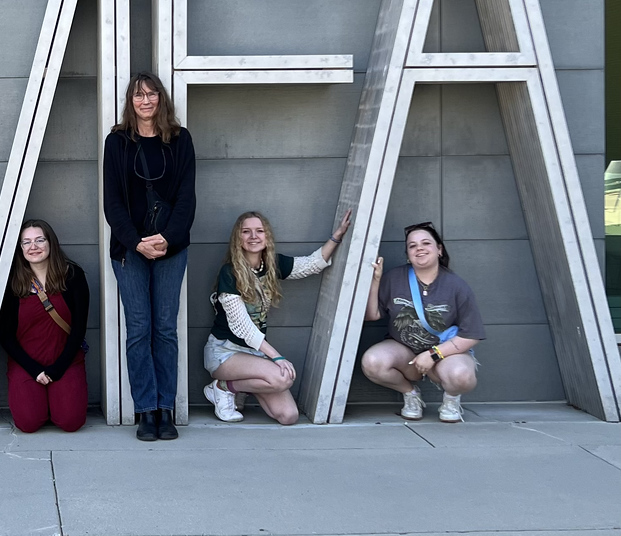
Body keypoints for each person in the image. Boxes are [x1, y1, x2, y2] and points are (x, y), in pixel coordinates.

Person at [103, 71, 195, 441]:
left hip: (171, 249)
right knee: (139, 329)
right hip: (129, 250)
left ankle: (165, 409)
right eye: (138, 95)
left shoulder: (180, 139)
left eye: (151, 94)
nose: (145, 100)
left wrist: (167, 240)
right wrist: (137, 242)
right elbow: (111, 202)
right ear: (130, 101)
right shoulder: (117, 142)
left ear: (161, 98)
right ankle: (145, 410)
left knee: (165, 329)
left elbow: (187, 197)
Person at [204, 209, 351, 425]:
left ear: (267, 236)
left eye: (259, 231)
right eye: (246, 232)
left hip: (254, 353)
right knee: (282, 377)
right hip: (225, 352)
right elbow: (242, 327)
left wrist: (337, 236)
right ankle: (223, 387)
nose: (253, 237)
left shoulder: (272, 265)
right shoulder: (230, 272)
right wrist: (277, 357)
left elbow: (312, 265)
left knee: (288, 416)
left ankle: (234, 386)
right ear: (238, 238)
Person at [362, 221, 484, 423]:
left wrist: (433, 354)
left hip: (444, 355)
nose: (419, 248)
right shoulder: (394, 278)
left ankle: (452, 400)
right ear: (408, 254)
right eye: (412, 245)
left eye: (426, 243)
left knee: (462, 376)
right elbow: (372, 315)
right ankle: (411, 395)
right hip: (405, 353)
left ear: (439, 249)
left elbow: (471, 334)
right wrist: (376, 280)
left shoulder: (456, 285)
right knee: (373, 362)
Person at [0, 219, 89, 433]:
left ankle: (55, 401)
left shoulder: (73, 275)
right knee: (28, 424)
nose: (33, 247)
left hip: (66, 360)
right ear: (20, 248)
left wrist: (59, 368)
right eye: (26, 242)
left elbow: (79, 329)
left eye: (39, 240)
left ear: (50, 243)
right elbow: (6, 336)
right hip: (26, 363)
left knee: (71, 422)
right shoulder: (11, 281)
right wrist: (34, 370)